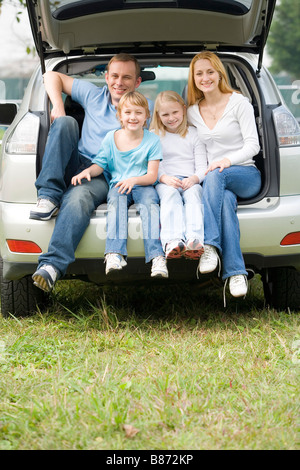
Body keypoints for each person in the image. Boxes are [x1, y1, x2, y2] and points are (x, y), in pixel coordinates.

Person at [31, 53, 153, 292]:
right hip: (81, 162)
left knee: (77, 199)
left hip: (110, 174)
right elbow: (51, 75)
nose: (119, 82)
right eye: (114, 76)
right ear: (106, 77)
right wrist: (57, 105)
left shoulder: (144, 110)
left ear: (137, 82)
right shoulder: (93, 95)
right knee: (66, 123)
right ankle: (48, 196)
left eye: (126, 77)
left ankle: (52, 265)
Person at [187, 51, 261, 300]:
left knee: (216, 175)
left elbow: (254, 146)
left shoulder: (238, 102)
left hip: (245, 174)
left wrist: (226, 161)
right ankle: (236, 273)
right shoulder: (192, 112)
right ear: (193, 78)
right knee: (226, 202)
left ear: (220, 74)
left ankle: (209, 245)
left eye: (210, 72)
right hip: (216, 182)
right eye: (199, 73)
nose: (205, 77)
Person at [71, 91, 168, 278]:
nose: (133, 117)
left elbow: (152, 175)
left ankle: (157, 256)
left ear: (147, 116)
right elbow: (99, 165)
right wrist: (87, 172)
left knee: (150, 205)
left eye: (139, 113)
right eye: (128, 112)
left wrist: (133, 180)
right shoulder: (111, 138)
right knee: (115, 203)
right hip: (119, 185)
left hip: (144, 184)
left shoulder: (152, 140)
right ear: (120, 116)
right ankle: (114, 253)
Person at [150, 90, 207, 260]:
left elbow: (202, 166)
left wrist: (194, 179)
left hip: (191, 180)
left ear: (183, 109)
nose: (171, 118)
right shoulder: (154, 135)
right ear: (158, 116)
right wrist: (164, 178)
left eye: (175, 112)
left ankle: (194, 240)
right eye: (165, 114)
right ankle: (172, 241)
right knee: (170, 196)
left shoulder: (194, 134)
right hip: (166, 181)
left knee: (195, 195)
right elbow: (154, 165)